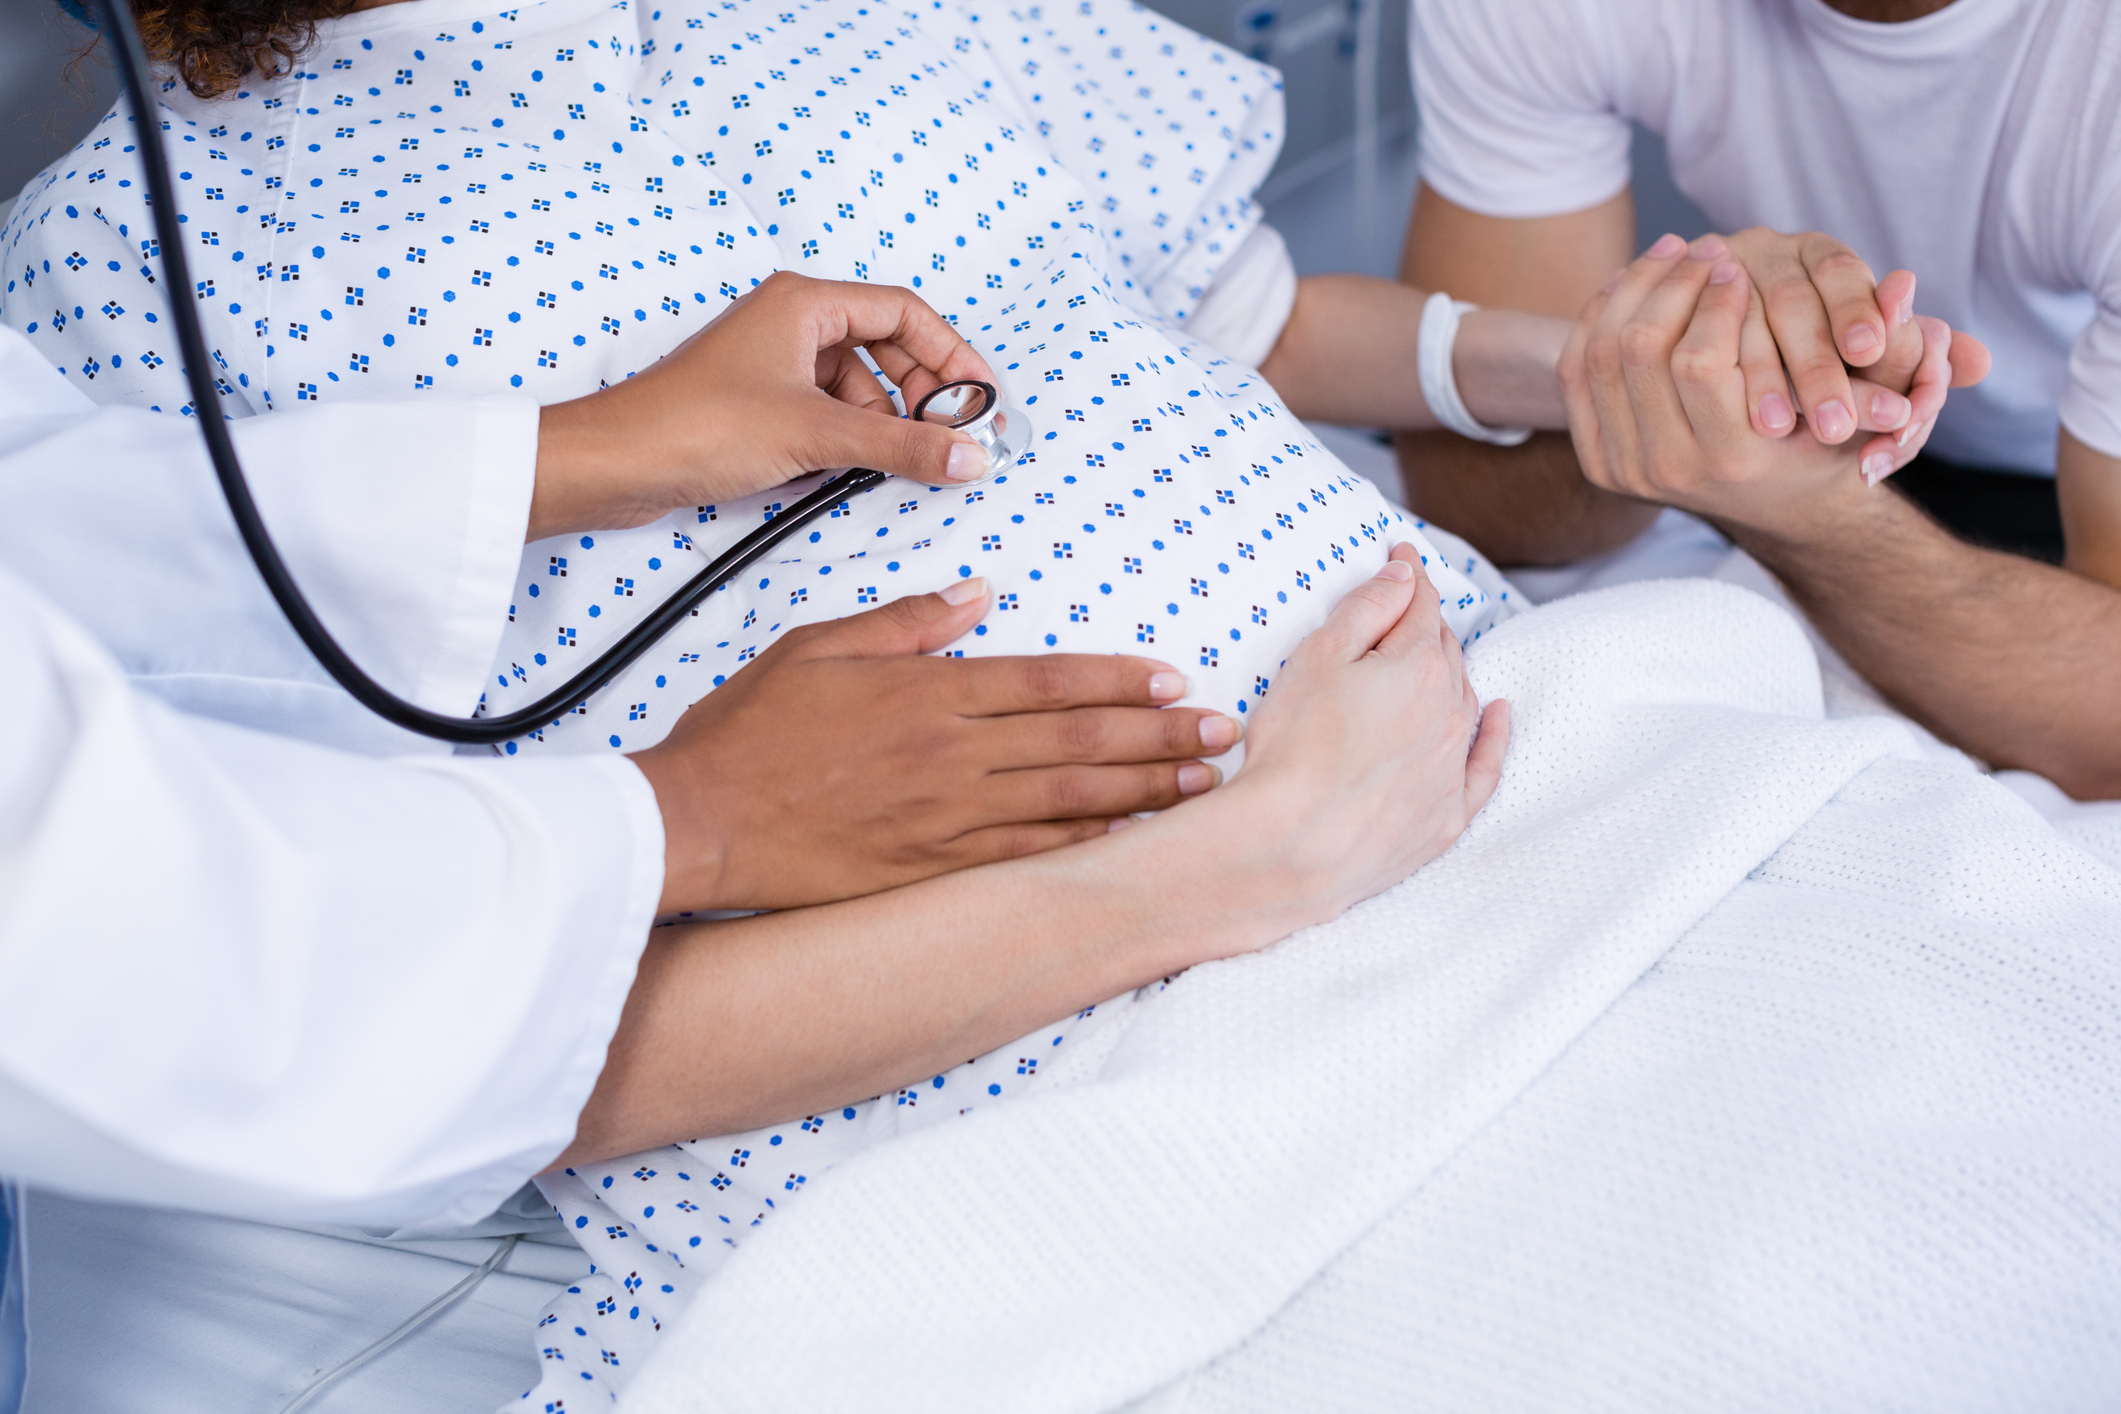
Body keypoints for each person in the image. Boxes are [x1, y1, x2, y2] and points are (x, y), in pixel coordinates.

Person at [1396, 0, 2121, 799]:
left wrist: (1809, 511)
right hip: (1806, 441)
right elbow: (1470, 491)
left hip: (2055, 495)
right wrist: (1687, 359)